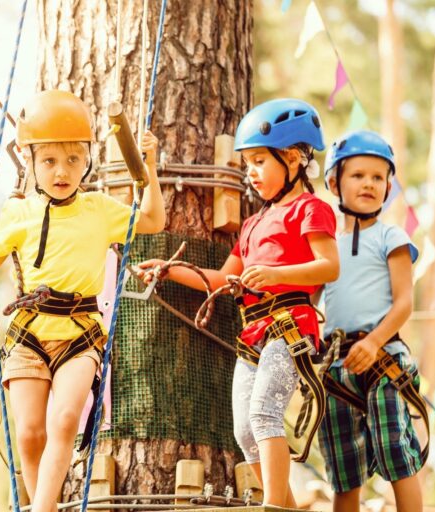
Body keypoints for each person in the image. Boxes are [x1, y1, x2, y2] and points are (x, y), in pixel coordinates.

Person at [0, 89, 165, 512]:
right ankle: (47, 505)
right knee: (29, 433)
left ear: (87, 162)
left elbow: (152, 219)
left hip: (80, 333)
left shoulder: (98, 209)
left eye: (73, 160)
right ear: (31, 163)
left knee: (63, 421)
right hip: (29, 334)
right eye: (51, 161)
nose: (62, 171)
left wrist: (147, 166)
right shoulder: (19, 213)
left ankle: (41, 509)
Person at [137, 99, 339, 507]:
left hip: (291, 327)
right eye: (247, 162)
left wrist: (277, 275)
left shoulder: (309, 209)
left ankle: (272, 507)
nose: (251, 172)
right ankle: (287, 504)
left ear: (295, 159)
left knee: (265, 415)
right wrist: (169, 270)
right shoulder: (253, 223)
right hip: (253, 334)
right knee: (245, 432)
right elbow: (222, 279)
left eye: (259, 161)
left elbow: (329, 266)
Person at [318, 129, 424, 512]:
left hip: (383, 357)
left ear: (388, 186)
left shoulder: (390, 236)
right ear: (334, 182)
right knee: (344, 467)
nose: (369, 183)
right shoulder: (326, 245)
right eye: (359, 175)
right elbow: (313, 304)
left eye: (378, 177)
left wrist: (374, 341)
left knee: (396, 450)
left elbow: (404, 304)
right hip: (337, 364)